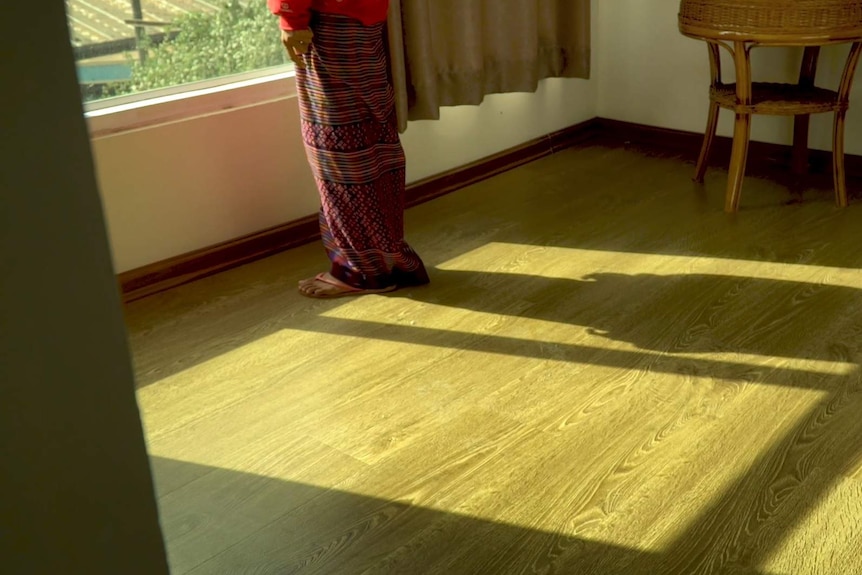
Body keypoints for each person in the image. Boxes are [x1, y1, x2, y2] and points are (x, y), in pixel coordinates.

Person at [268, 0, 430, 298]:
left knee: (336, 148)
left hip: (329, 22)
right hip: (363, 18)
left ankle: (364, 271)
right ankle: (389, 258)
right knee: (369, 138)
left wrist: (290, 18)